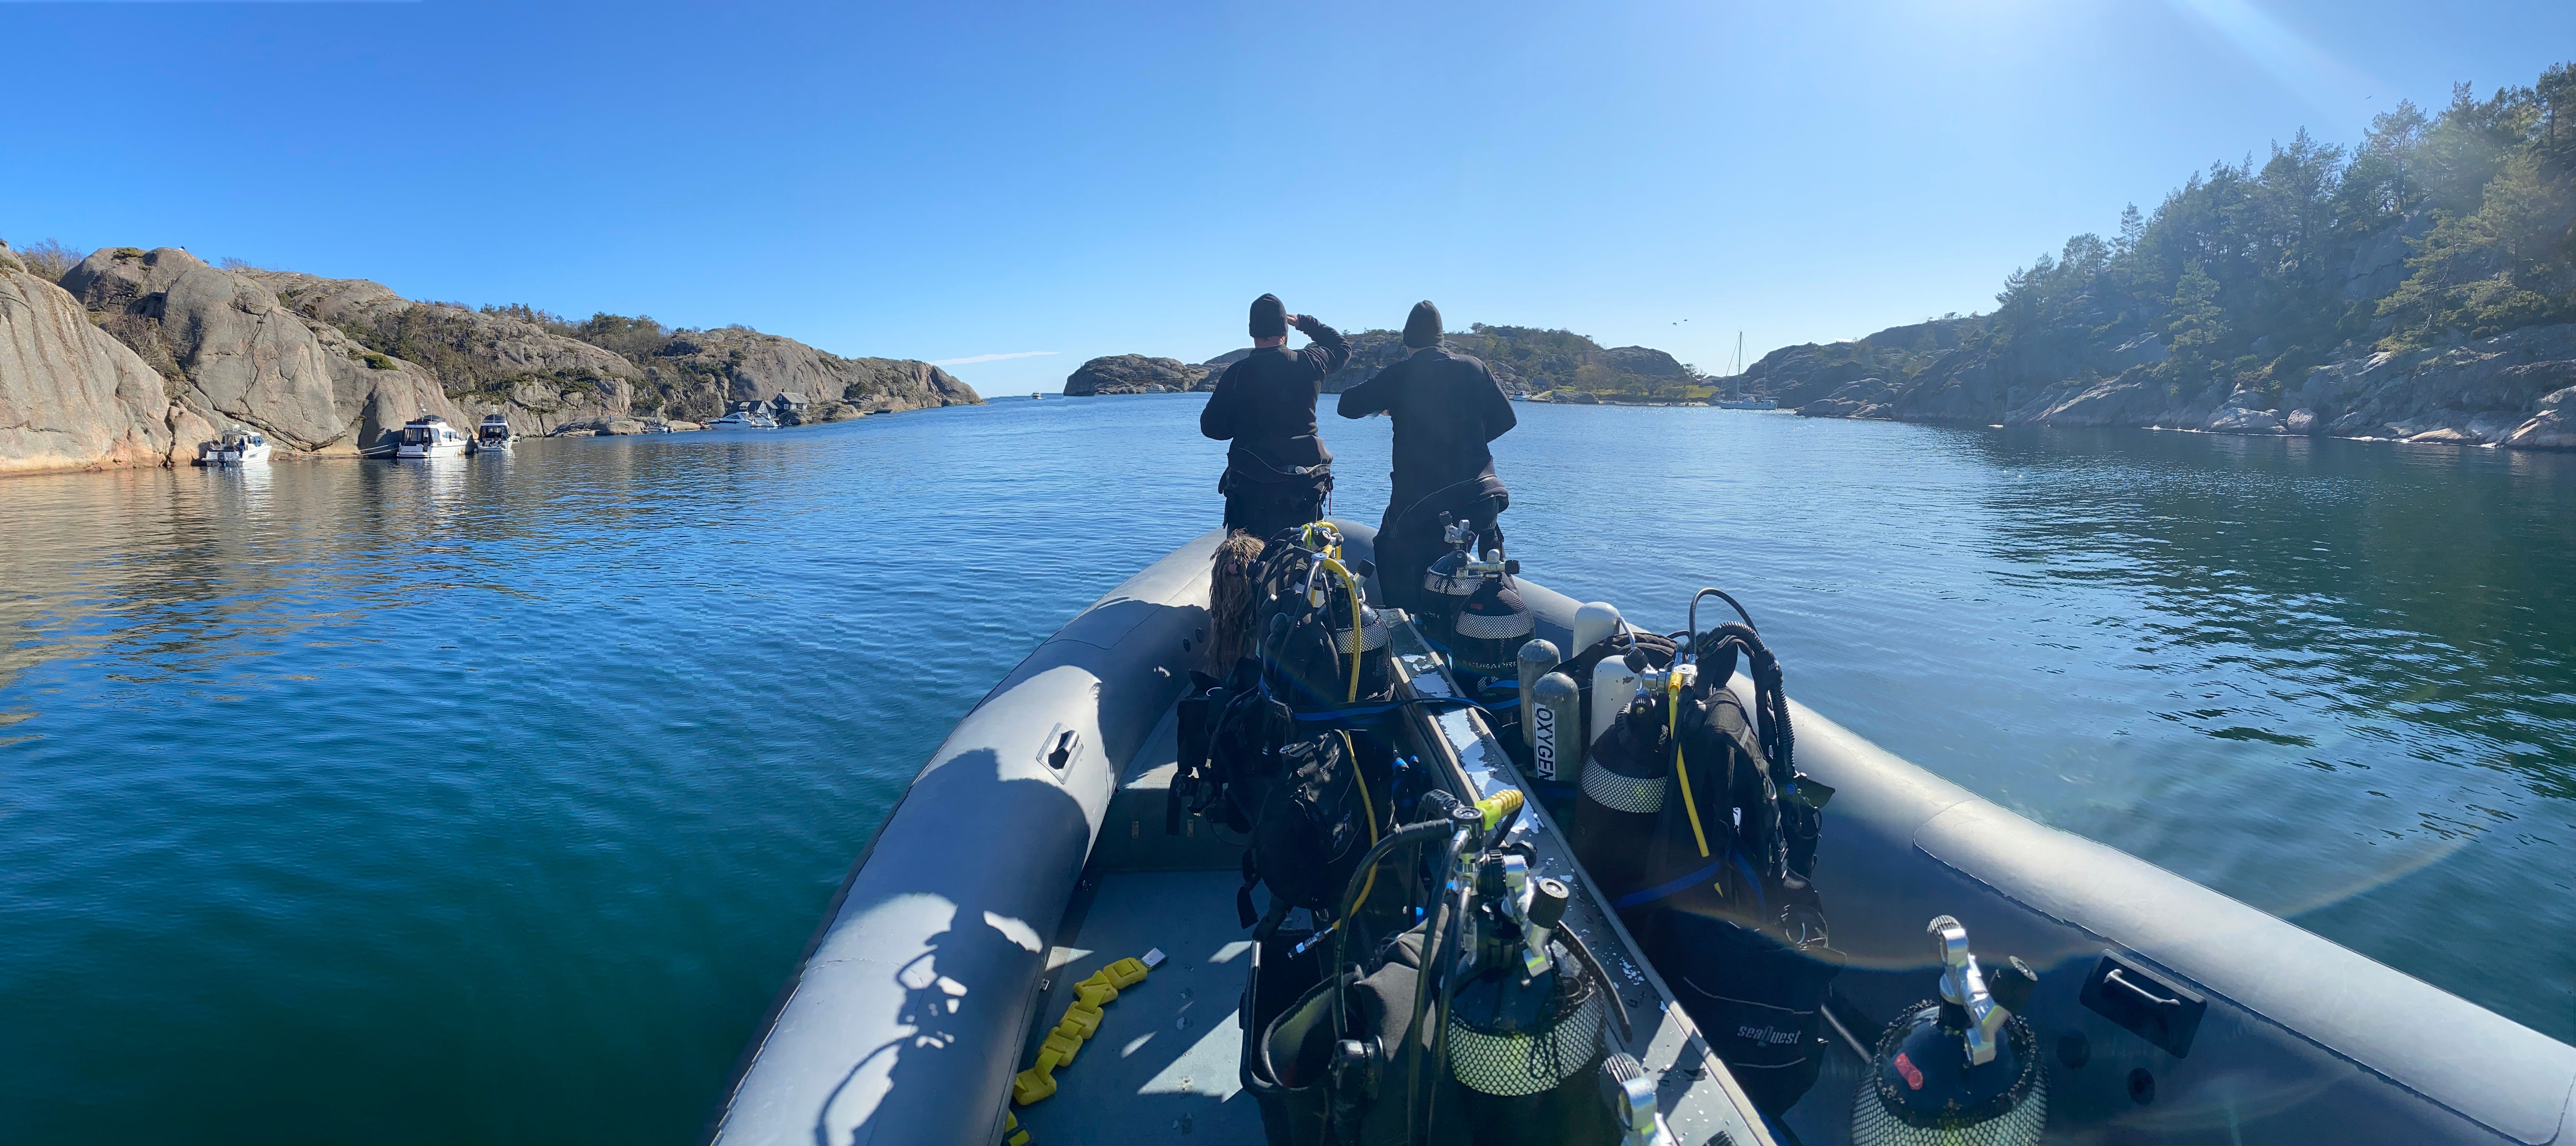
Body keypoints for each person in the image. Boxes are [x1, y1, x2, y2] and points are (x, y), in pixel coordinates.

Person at [1335, 300, 1516, 613]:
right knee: (1459, 569)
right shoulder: (1474, 367)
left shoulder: (1402, 375)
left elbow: (1346, 405)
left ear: (1407, 342)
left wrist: (1389, 402)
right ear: (1440, 340)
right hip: (1481, 498)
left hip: (1423, 505)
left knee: (1389, 552)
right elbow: (1507, 419)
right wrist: (1465, 442)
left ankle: (1408, 638)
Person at [1200, 294, 1351, 540]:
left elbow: (1211, 429)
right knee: (1300, 564)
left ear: (1253, 334)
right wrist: (1305, 323)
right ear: (1285, 331)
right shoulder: (1311, 362)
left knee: (1244, 568)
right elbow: (1342, 348)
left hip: (1250, 495)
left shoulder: (1237, 374)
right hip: (1302, 492)